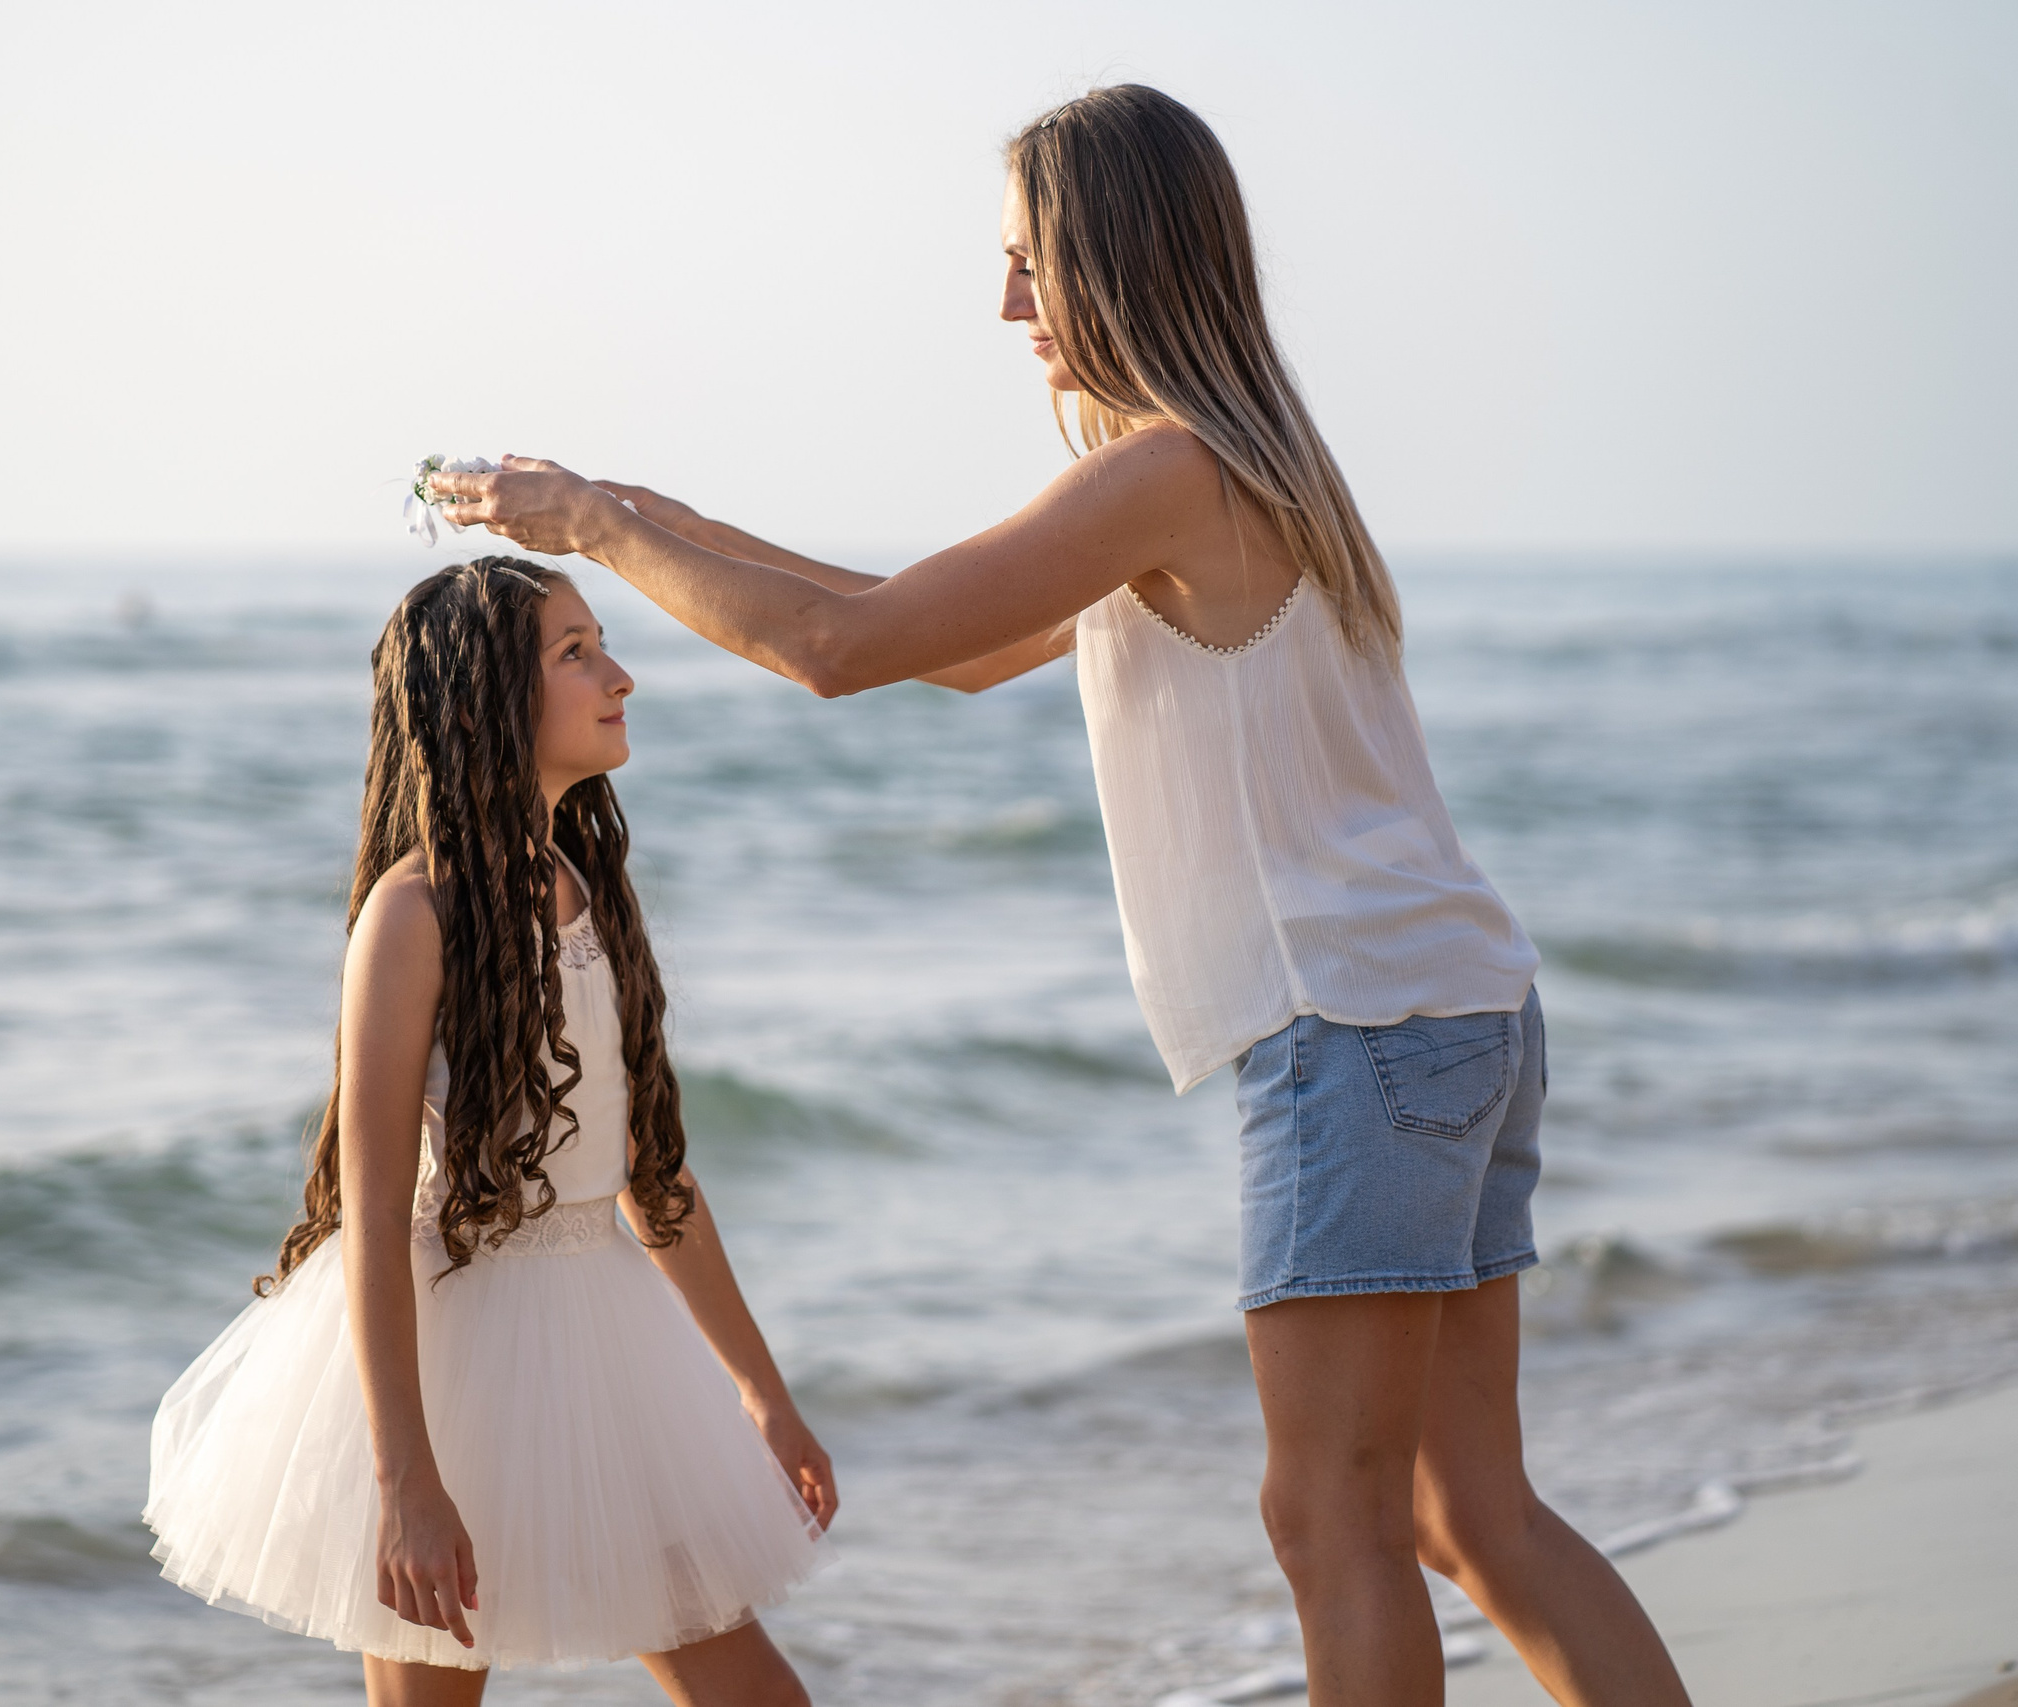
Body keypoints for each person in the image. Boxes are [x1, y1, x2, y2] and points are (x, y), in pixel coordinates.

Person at [425, 84, 1688, 1707]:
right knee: (1464, 1508)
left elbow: (840, 654)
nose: (1007, 305)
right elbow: (925, 635)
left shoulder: (1165, 472)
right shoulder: (1241, 461)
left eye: (1029, 262)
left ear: (1115, 256)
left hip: (1355, 1026)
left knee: (1332, 1520)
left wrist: (594, 526)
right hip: (1455, 1006)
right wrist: (631, 508)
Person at [144, 558, 834, 1707]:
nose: (620, 676)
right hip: (444, 1362)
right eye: (575, 653)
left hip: (605, 1350)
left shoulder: (584, 880)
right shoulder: (410, 918)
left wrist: (763, 1394)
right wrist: (404, 1476)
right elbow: (369, 1215)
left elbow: (650, 1177)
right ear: (482, 700)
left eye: (599, 643)